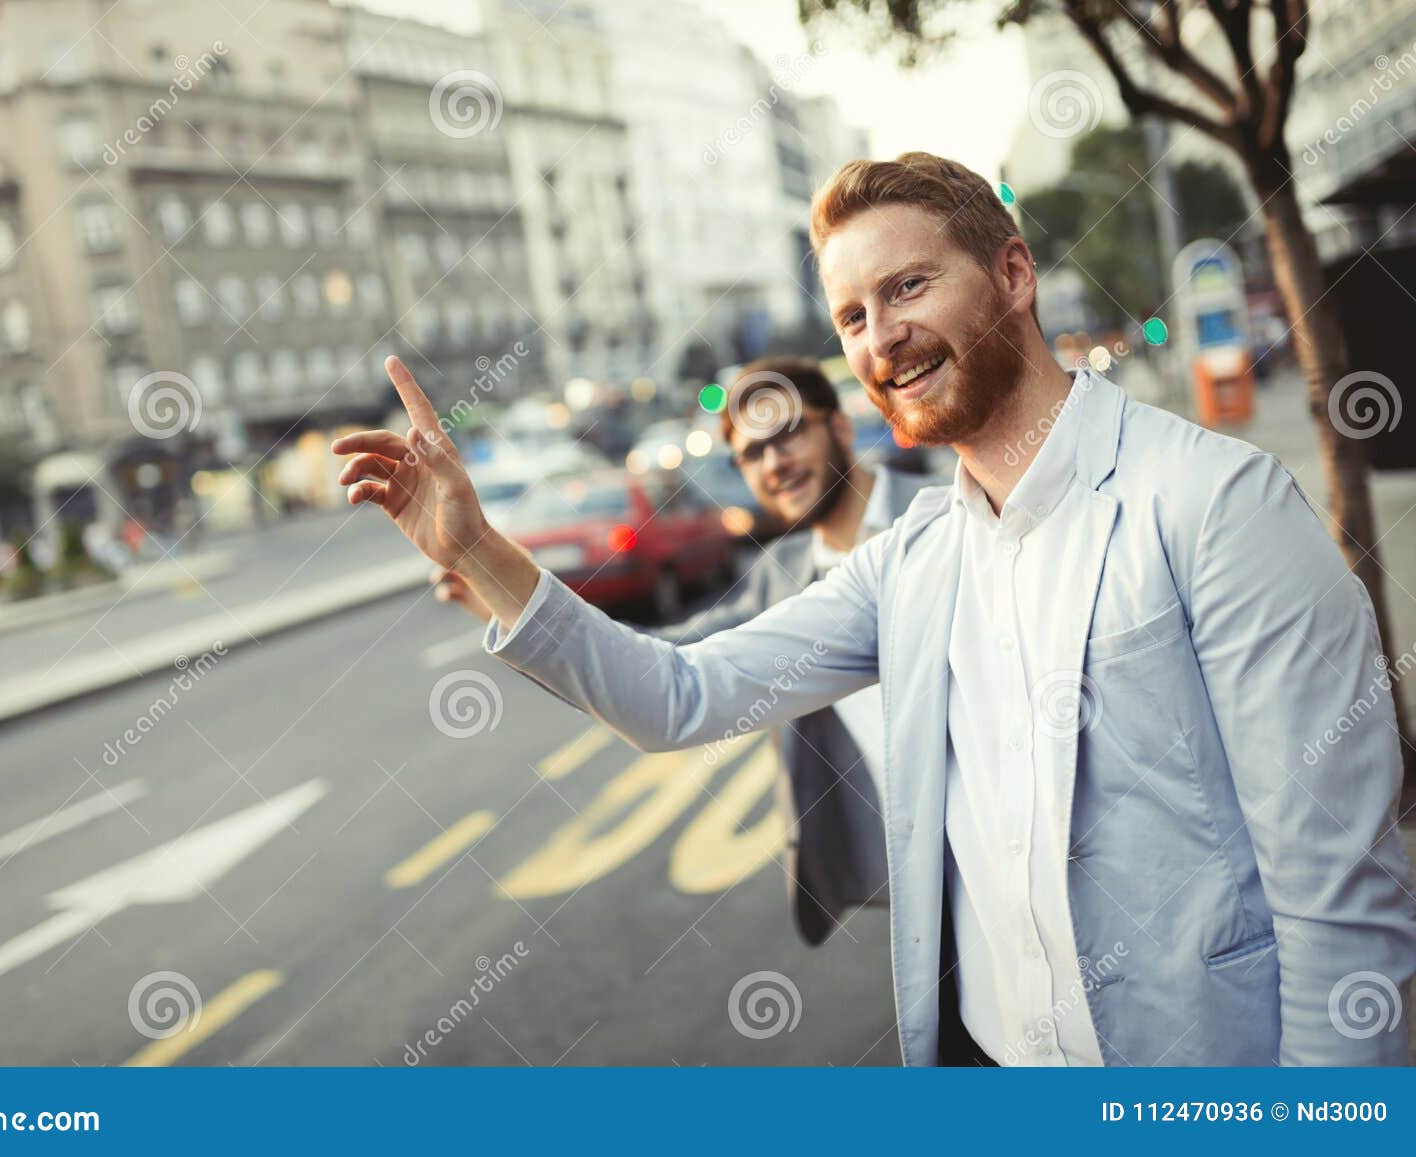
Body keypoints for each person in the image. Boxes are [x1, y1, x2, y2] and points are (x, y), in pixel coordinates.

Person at [332, 151, 1416, 1067]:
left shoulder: (1218, 504)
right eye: (850, 314)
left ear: (1013, 272)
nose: (878, 339)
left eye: (906, 289)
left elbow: (1340, 914)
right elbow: (681, 693)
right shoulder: (910, 563)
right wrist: (477, 550)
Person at [433, 356, 938, 945]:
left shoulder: (943, 515)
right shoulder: (780, 577)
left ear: (842, 427)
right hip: (915, 881)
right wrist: (500, 596)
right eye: (752, 453)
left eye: (790, 432)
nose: (775, 463)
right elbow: (665, 667)